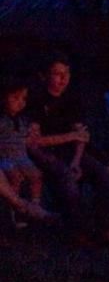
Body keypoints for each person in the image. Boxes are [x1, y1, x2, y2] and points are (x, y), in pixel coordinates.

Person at [28, 53, 109, 241]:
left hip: (72, 152)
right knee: (67, 179)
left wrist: (76, 160)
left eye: (66, 73)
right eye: (57, 74)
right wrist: (69, 136)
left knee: (103, 174)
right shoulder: (35, 100)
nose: (63, 79)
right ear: (44, 76)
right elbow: (36, 141)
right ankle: (76, 228)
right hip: (46, 154)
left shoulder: (73, 98)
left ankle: (104, 225)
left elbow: (81, 135)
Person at [0, 75, 54, 223]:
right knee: (15, 176)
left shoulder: (23, 120)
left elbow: (29, 141)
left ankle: (34, 205)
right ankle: (14, 212)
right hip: (5, 158)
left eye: (23, 99)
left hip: (22, 156)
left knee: (36, 175)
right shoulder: (2, 120)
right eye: (15, 98)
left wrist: (39, 149)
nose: (20, 103)